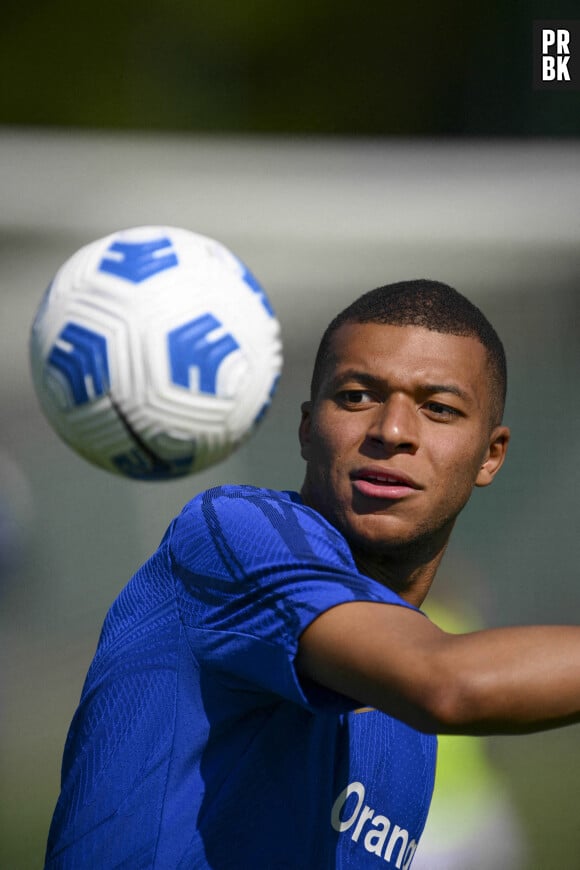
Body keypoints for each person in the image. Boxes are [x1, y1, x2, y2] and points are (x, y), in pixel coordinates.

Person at [45, 279, 580, 869]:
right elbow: (448, 684)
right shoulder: (234, 533)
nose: (392, 430)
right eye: (356, 397)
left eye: (439, 409)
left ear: (491, 455)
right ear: (306, 428)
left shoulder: (404, 722)